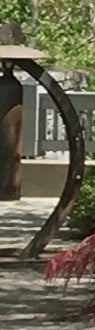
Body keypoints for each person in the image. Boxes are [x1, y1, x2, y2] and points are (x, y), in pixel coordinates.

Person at [0, 22, 24, 203]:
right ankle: (8, 189)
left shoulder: (12, 86)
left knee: (10, 148)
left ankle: (9, 189)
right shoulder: (11, 85)